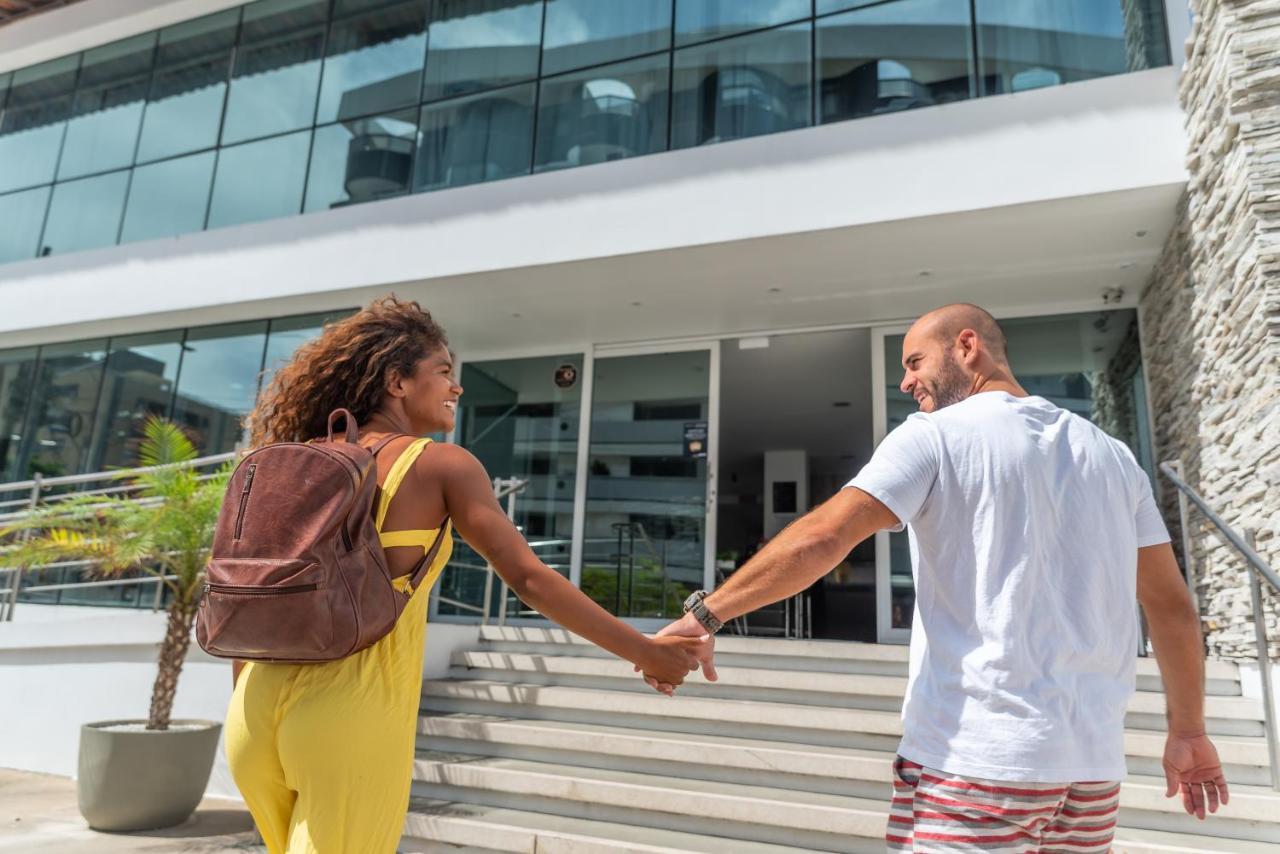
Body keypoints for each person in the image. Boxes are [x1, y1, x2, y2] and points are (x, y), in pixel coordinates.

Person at [651, 304, 1228, 852]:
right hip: (1091, 776)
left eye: (914, 362)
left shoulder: (935, 436)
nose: (906, 383)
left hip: (976, 766)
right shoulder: (1113, 456)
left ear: (967, 347)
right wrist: (1189, 731)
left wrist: (705, 614)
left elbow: (824, 538)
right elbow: (1171, 606)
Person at [224, 296, 707, 854]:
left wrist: (251, 706)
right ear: (395, 382)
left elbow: (252, 593)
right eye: (444, 372)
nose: (456, 388)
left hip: (253, 708)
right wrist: (646, 652)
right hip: (347, 716)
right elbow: (528, 579)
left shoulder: (290, 461)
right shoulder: (440, 464)